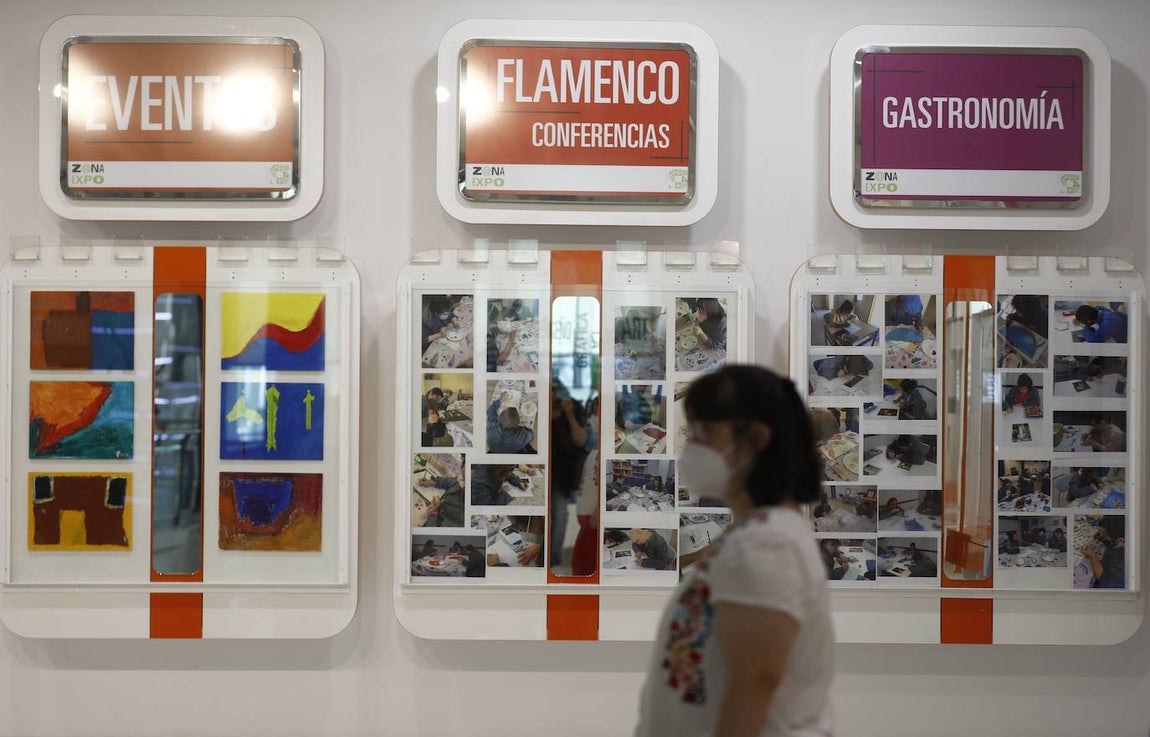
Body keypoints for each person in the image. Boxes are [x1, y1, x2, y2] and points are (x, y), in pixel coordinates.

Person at [636, 365, 833, 737]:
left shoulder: (768, 546)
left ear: (756, 438)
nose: (691, 443)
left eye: (706, 431)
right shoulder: (755, 534)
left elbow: (755, 682)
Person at [550, 390, 589, 568]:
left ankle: (553, 559)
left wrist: (570, 414)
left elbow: (580, 440)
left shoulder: (573, 407)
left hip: (564, 473)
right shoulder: (540, 404)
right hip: (542, 468)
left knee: (559, 515)